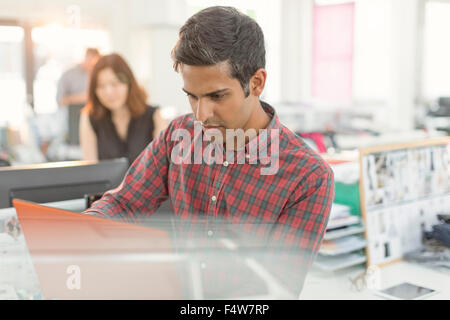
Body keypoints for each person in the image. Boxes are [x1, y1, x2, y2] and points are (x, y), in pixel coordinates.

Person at [84, 6, 334, 298]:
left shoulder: (309, 179)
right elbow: (124, 204)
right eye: (192, 96)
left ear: (256, 83)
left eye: (217, 96)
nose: (201, 115)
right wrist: (75, 235)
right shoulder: (179, 137)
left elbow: (274, 292)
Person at [79, 53, 166, 165]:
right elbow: (90, 170)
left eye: (114, 84)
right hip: (109, 183)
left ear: (129, 83)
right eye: (101, 86)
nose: (108, 92)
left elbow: (164, 167)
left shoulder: (154, 115)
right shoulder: (89, 118)